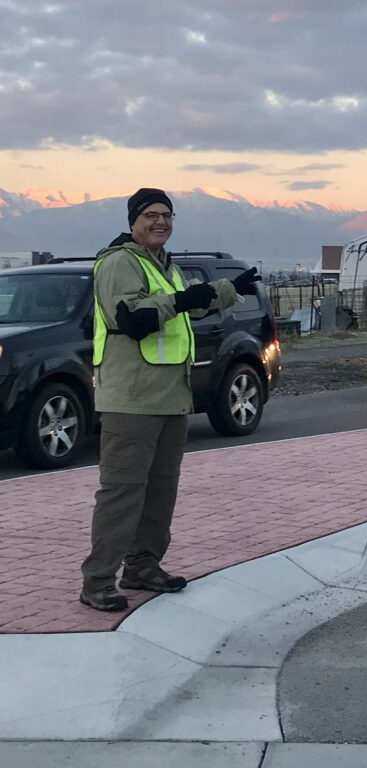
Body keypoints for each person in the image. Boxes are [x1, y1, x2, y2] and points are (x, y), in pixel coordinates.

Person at [79, 188, 261, 611]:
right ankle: (98, 581)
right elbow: (135, 319)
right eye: (151, 215)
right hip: (132, 398)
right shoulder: (118, 263)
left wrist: (227, 289)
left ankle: (143, 566)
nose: (160, 222)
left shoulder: (164, 264)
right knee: (122, 491)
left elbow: (188, 308)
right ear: (133, 221)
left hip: (171, 397)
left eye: (167, 215)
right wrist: (186, 299)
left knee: (161, 490)